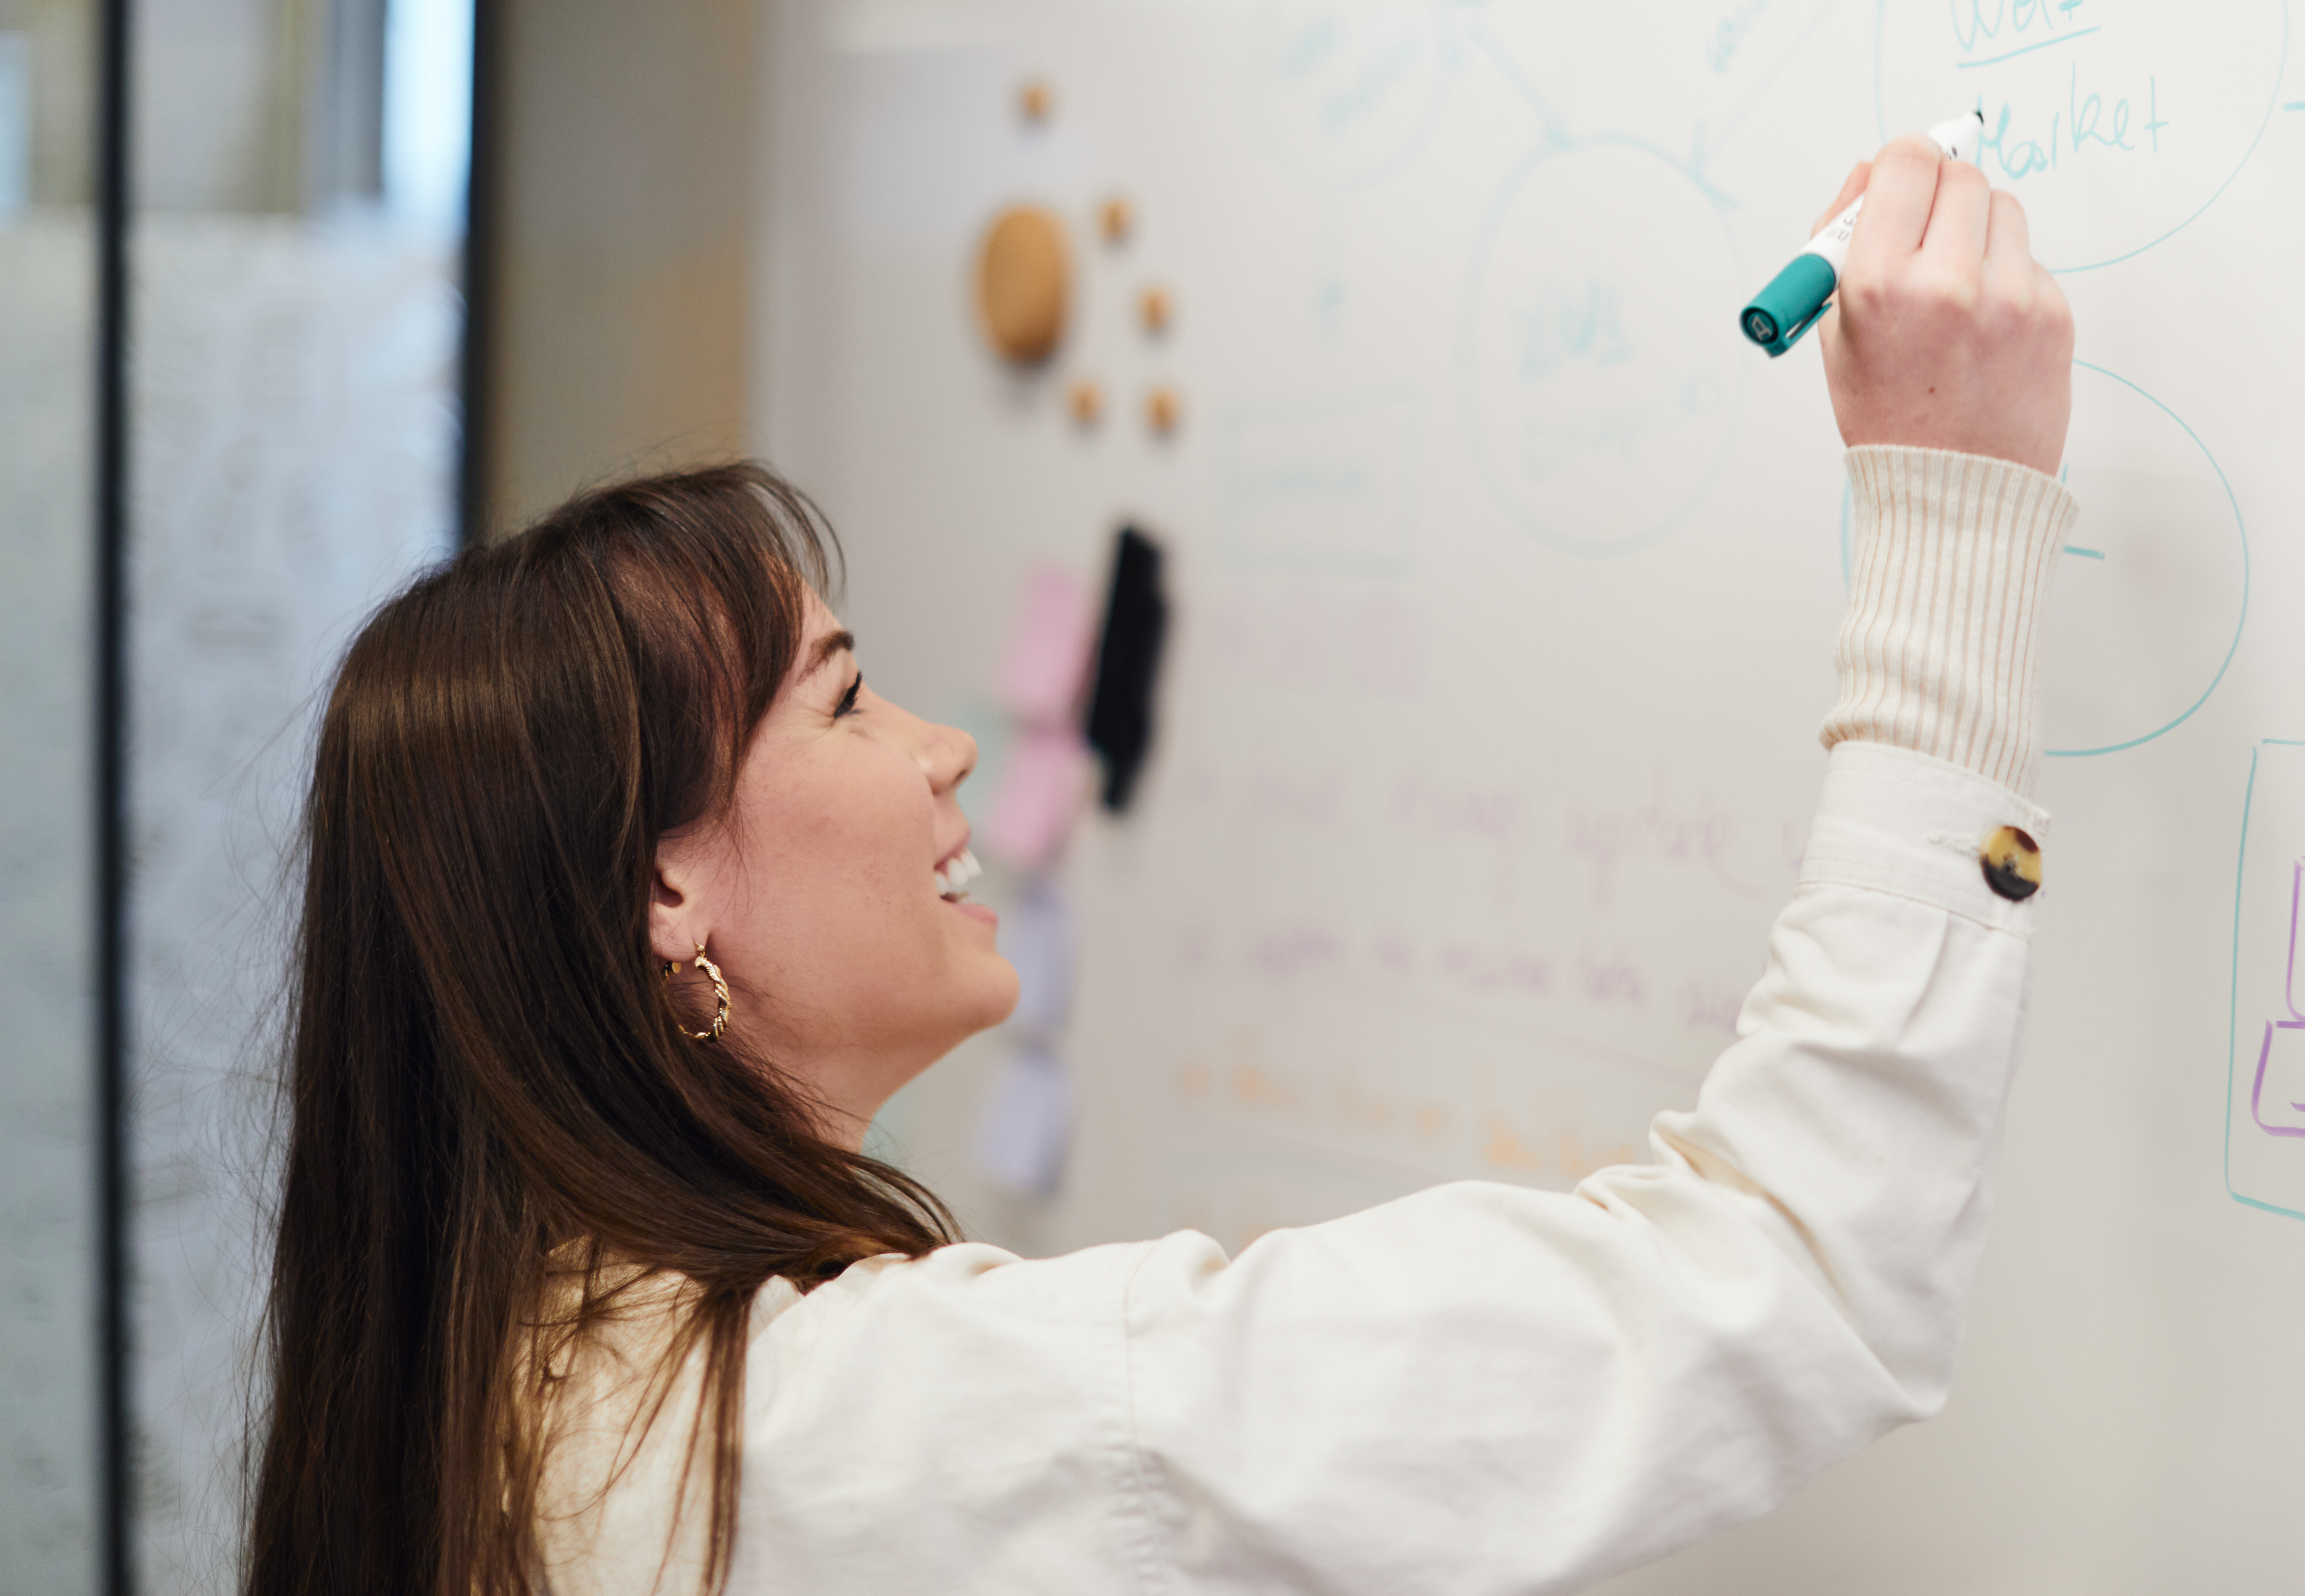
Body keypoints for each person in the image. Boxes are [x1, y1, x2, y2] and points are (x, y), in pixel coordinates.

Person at [243, 134, 2075, 1596]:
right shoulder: (861, 1435)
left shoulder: (490, 1384)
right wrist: (1952, 520)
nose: (943, 743)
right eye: (849, 699)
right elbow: (1796, 1277)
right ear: (663, 892)